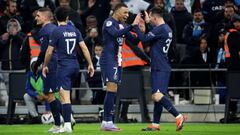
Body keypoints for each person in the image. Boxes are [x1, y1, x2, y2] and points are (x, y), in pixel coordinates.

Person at [132, 7, 187, 131]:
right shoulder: (166, 29)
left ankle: (178, 116)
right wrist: (146, 23)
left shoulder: (161, 29)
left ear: (155, 17)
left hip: (160, 67)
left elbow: (145, 39)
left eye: (150, 17)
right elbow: (153, 35)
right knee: (158, 96)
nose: (149, 19)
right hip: (160, 65)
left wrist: (135, 27)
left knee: (157, 96)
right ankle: (155, 124)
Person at [42, 6, 94, 133]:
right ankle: (66, 122)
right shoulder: (74, 30)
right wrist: (90, 64)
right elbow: (84, 48)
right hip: (75, 65)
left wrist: (44, 65)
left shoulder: (56, 31)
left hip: (63, 66)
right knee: (65, 95)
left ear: (55, 18)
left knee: (64, 96)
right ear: (67, 17)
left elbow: (49, 52)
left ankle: (67, 125)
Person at [99, 3, 136, 131]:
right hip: (109, 59)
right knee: (111, 89)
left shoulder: (123, 25)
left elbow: (135, 40)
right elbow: (115, 34)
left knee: (113, 91)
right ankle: (107, 121)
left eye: (128, 13)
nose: (127, 15)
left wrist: (140, 27)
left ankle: (107, 121)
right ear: (116, 11)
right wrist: (131, 26)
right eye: (124, 12)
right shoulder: (109, 22)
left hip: (118, 60)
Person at [33, 8, 61, 133]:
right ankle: (68, 118)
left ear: (45, 17)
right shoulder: (56, 28)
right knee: (62, 94)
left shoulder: (45, 31)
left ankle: (57, 125)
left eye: (38, 16)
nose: (36, 18)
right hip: (62, 63)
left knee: (49, 95)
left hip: (51, 64)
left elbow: (44, 52)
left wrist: (37, 64)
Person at [23, 58, 50, 124]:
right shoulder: (30, 75)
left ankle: (49, 113)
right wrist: (36, 95)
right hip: (37, 96)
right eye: (33, 66)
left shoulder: (45, 74)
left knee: (49, 95)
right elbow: (27, 89)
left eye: (37, 65)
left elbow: (48, 87)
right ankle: (35, 117)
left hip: (46, 95)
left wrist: (43, 94)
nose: (36, 68)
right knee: (26, 96)